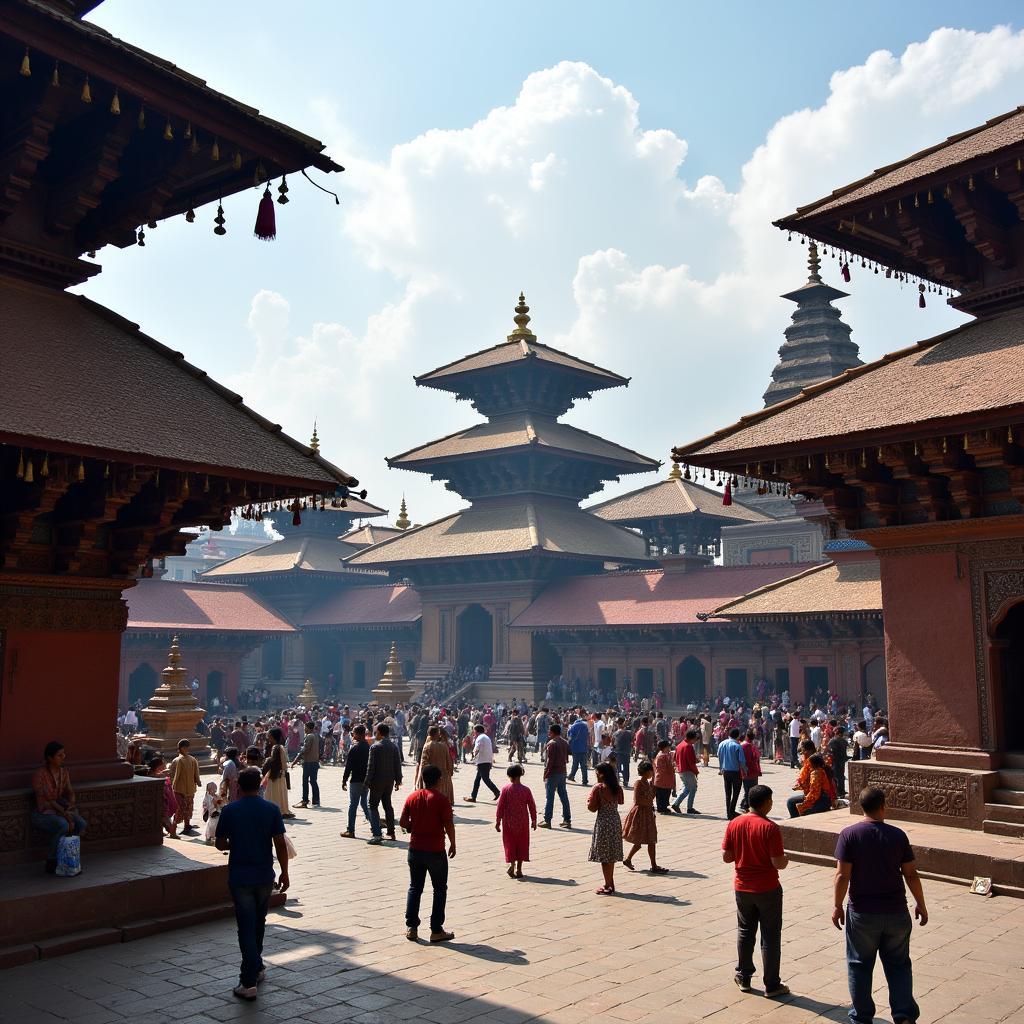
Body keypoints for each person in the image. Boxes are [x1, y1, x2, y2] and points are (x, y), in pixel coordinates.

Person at [834, 786, 927, 1024]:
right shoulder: (897, 835)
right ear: (883, 806)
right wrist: (920, 903)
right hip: (896, 911)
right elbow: (911, 874)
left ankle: (862, 1018)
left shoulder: (849, 834)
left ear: (861, 807)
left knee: (859, 966)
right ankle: (904, 1015)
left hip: (862, 913)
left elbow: (842, 875)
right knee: (898, 965)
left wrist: (837, 905)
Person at [215, 767, 289, 1001]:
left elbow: (219, 843)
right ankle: (256, 968)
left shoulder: (230, 810)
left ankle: (248, 981)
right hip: (264, 876)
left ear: (238, 787)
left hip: (240, 876)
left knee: (246, 927)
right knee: (258, 923)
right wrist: (285, 872)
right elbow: (280, 844)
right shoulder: (271, 809)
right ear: (259, 786)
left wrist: (236, 843)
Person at [722, 784, 790, 999]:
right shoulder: (770, 827)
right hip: (767, 887)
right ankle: (771, 984)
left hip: (742, 886)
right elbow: (778, 863)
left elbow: (727, 857)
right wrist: (786, 859)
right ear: (767, 803)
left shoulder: (735, 823)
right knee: (770, 936)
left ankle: (744, 976)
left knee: (745, 931)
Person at [400, 763, 455, 943]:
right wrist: (453, 843)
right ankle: (436, 929)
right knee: (439, 889)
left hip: (415, 849)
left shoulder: (412, 797)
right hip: (435, 849)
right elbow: (448, 824)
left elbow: (402, 822)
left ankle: (412, 927)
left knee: (415, 888)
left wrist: (412, 827)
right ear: (438, 780)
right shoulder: (441, 800)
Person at [31, 741, 87, 874]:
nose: (63, 757)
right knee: (64, 826)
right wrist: (67, 816)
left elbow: (70, 791)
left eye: (63, 754)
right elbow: (49, 800)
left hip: (61, 810)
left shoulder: (64, 772)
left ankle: (68, 858)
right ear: (50, 758)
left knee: (82, 824)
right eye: (59, 755)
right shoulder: (40, 774)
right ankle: (51, 860)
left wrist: (71, 804)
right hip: (43, 813)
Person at [621, 760, 668, 874]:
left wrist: (653, 788)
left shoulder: (648, 783)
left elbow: (651, 797)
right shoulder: (639, 783)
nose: (652, 773)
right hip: (640, 814)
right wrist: (648, 803)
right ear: (646, 772)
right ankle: (651, 865)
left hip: (648, 814)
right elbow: (637, 800)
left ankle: (646, 863)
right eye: (651, 771)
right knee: (640, 840)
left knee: (650, 840)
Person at [587, 761, 624, 895]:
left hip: (603, 822)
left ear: (601, 774)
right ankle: (610, 883)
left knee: (604, 856)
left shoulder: (599, 788)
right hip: (615, 821)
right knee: (611, 854)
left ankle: (607, 885)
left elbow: (591, 807)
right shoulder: (617, 788)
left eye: (597, 773)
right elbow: (620, 801)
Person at [495, 763, 537, 879]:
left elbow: (500, 806)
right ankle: (519, 869)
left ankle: (512, 865)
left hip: (508, 822)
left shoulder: (505, 789)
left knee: (510, 844)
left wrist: (498, 821)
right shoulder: (526, 790)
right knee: (522, 844)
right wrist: (534, 820)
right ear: (520, 775)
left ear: (510, 776)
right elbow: (532, 805)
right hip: (523, 822)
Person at [365, 723, 403, 845]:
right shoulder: (393, 746)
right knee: (387, 805)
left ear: (380, 733)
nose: (375, 734)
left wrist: (367, 781)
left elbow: (371, 767)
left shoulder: (375, 747)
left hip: (377, 781)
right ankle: (391, 832)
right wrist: (398, 780)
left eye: (376, 732)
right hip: (389, 781)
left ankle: (377, 834)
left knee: (373, 806)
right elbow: (398, 764)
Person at [340, 724, 372, 839]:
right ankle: (375, 828)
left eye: (354, 733)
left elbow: (348, 767)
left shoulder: (354, 748)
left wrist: (344, 780)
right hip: (366, 780)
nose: (352, 735)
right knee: (364, 803)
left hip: (356, 780)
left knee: (353, 805)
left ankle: (351, 830)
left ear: (359, 734)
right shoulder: (369, 748)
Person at [540, 723, 572, 829]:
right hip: (562, 772)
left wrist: (546, 773)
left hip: (553, 773)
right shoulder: (564, 742)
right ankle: (567, 820)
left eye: (550, 731)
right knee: (564, 796)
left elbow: (550, 761)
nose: (548, 733)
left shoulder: (552, 743)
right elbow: (567, 757)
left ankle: (547, 820)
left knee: (550, 797)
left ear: (553, 732)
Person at [417, 726, 456, 806]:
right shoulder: (444, 746)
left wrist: (422, 777)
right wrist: (450, 771)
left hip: (431, 776)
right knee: (443, 795)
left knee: (431, 796)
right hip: (444, 775)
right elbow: (449, 760)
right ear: (436, 734)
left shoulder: (427, 746)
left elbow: (423, 763)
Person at [170, 738, 202, 835]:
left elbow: (196, 773)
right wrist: (173, 787)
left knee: (188, 807)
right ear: (180, 748)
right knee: (180, 809)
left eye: (187, 747)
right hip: (180, 789)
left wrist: (198, 781)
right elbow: (175, 776)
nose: (187, 749)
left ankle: (187, 825)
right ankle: (173, 830)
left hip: (190, 788)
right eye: (185, 747)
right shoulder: (178, 761)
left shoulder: (192, 759)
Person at [787, 753, 833, 817]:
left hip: (821, 800)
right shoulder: (821, 770)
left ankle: (795, 819)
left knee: (790, 802)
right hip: (824, 798)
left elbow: (815, 792)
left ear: (813, 764)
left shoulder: (815, 773)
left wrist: (805, 805)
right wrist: (800, 787)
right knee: (791, 801)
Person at [261, 728, 293, 819]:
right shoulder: (281, 747)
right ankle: (282, 810)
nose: (267, 737)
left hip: (275, 775)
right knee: (280, 794)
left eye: (269, 736)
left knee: (273, 794)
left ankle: (274, 811)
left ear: (272, 736)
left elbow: (273, 761)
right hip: (281, 775)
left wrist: (266, 762)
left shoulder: (275, 747)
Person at [464, 724, 500, 802]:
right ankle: (473, 796)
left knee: (485, 779)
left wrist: (472, 756)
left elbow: (477, 749)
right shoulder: (485, 737)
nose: (473, 733)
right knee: (477, 779)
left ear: (476, 731)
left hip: (483, 761)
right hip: (486, 760)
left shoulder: (480, 738)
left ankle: (496, 791)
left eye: (474, 731)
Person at [717, 728, 747, 820]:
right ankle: (731, 811)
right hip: (735, 772)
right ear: (737, 736)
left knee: (728, 793)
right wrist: (745, 770)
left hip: (725, 771)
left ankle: (728, 812)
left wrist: (721, 768)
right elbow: (741, 761)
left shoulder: (722, 744)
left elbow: (719, 756)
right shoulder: (737, 746)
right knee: (736, 792)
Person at [292, 720, 321, 809]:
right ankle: (316, 800)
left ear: (308, 728)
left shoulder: (309, 736)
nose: (304, 729)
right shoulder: (316, 736)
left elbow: (305, 750)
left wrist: (295, 760)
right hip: (315, 762)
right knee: (313, 781)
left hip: (308, 762)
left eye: (305, 727)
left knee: (305, 781)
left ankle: (305, 800)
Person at [671, 728, 701, 815]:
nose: (696, 740)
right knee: (692, 788)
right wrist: (696, 771)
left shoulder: (680, 745)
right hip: (687, 770)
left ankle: (676, 803)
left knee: (687, 788)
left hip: (681, 769)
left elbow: (675, 758)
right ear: (692, 738)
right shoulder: (688, 746)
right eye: (695, 738)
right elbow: (691, 762)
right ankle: (688, 807)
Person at [739, 730, 762, 812]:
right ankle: (745, 805)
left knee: (747, 789)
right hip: (754, 770)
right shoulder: (754, 746)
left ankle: (745, 805)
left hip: (746, 771)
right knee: (752, 789)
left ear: (746, 736)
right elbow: (757, 758)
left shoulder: (742, 746)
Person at [566, 714, 591, 785]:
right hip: (584, 748)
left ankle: (571, 776)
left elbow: (570, 738)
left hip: (575, 748)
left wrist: (569, 744)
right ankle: (585, 780)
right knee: (584, 765)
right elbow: (587, 736)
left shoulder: (573, 727)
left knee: (575, 764)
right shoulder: (585, 726)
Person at [652, 739, 675, 814]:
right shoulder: (662, 756)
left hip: (663, 779)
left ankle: (663, 807)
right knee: (663, 794)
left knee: (664, 794)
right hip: (663, 779)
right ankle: (662, 808)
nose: (669, 748)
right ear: (665, 748)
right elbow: (666, 768)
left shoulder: (662, 754)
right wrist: (672, 766)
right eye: (668, 747)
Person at [828, 727, 849, 800]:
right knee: (841, 776)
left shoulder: (833, 740)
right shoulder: (843, 740)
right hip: (842, 760)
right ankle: (841, 791)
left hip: (835, 760)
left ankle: (838, 792)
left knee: (835, 776)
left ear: (837, 732)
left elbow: (830, 751)